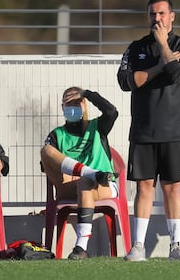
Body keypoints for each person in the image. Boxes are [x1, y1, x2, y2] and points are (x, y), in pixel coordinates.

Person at [117, 0, 180, 261]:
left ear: (172, 16)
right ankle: (138, 246)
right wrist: (159, 64)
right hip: (144, 130)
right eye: (152, 14)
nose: (157, 19)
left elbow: (178, 75)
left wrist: (163, 46)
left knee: (173, 188)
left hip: (175, 131)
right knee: (144, 187)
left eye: (162, 14)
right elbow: (126, 81)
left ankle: (176, 246)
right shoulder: (136, 48)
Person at [40, 86, 118, 259]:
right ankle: (90, 172)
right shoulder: (57, 134)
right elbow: (46, 164)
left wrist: (88, 94)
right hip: (70, 185)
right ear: (62, 108)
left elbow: (112, 111)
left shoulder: (98, 127)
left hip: (103, 184)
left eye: (76, 103)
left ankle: (80, 247)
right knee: (46, 150)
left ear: (84, 105)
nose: (72, 107)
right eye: (68, 104)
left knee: (85, 183)